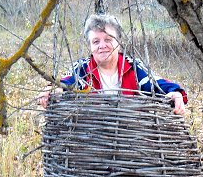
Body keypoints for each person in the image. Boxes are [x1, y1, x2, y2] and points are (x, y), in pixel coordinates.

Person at [38, 14, 187, 114]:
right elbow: (65, 83)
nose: (102, 46)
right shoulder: (82, 69)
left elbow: (157, 84)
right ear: (90, 45)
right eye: (96, 41)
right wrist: (52, 90)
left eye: (108, 39)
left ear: (119, 41)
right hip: (90, 144)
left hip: (131, 142)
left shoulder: (133, 67)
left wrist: (176, 93)